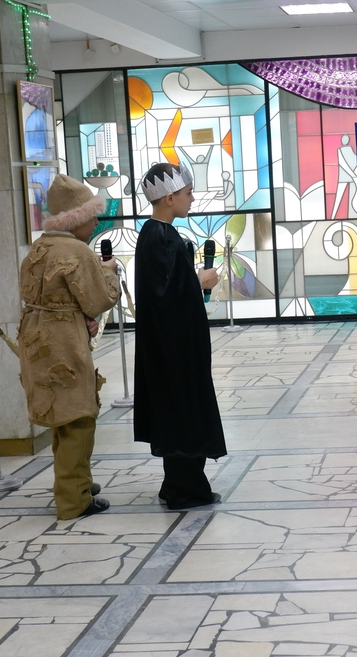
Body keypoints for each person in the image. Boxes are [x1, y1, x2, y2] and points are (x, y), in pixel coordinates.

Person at [18, 174, 120, 519]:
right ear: (76, 218)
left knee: (62, 418)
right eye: (92, 216)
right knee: (79, 416)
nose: (96, 222)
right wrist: (108, 272)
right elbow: (99, 300)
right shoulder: (77, 251)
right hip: (64, 342)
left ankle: (76, 482)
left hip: (36, 338)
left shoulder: (39, 246)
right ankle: (74, 499)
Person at [134, 162, 227, 510]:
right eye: (188, 193)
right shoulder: (161, 238)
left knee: (177, 411)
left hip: (170, 346)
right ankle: (183, 489)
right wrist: (200, 281)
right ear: (169, 198)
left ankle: (176, 483)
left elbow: (166, 287)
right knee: (182, 412)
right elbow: (166, 296)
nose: (192, 199)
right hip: (174, 350)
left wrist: (190, 279)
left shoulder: (157, 234)